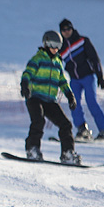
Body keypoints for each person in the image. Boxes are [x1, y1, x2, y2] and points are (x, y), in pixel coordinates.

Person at [21, 30, 81, 164]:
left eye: (58, 46)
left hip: (50, 100)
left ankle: (67, 153)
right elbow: (27, 73)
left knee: (65, 125)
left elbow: (62, 81)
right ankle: (32, 149)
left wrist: (70, 96)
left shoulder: (58, 62)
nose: (55, 49)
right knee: (38, 121)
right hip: (34, 97)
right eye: (53, 45)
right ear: (46, 43)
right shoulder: (38, 59)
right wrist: (25, 85)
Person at [58, 18, 104, 141]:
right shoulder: (61, 48)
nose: (67, 32)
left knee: (91, 102)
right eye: (64, 30)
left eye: (69, 29)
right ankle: (82, 130)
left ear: (72, 29)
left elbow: (95, 59)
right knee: (74, 103)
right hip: (74, 79)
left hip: (88, 76)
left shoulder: (82, 41)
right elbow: (56, 63)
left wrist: (100, 77)